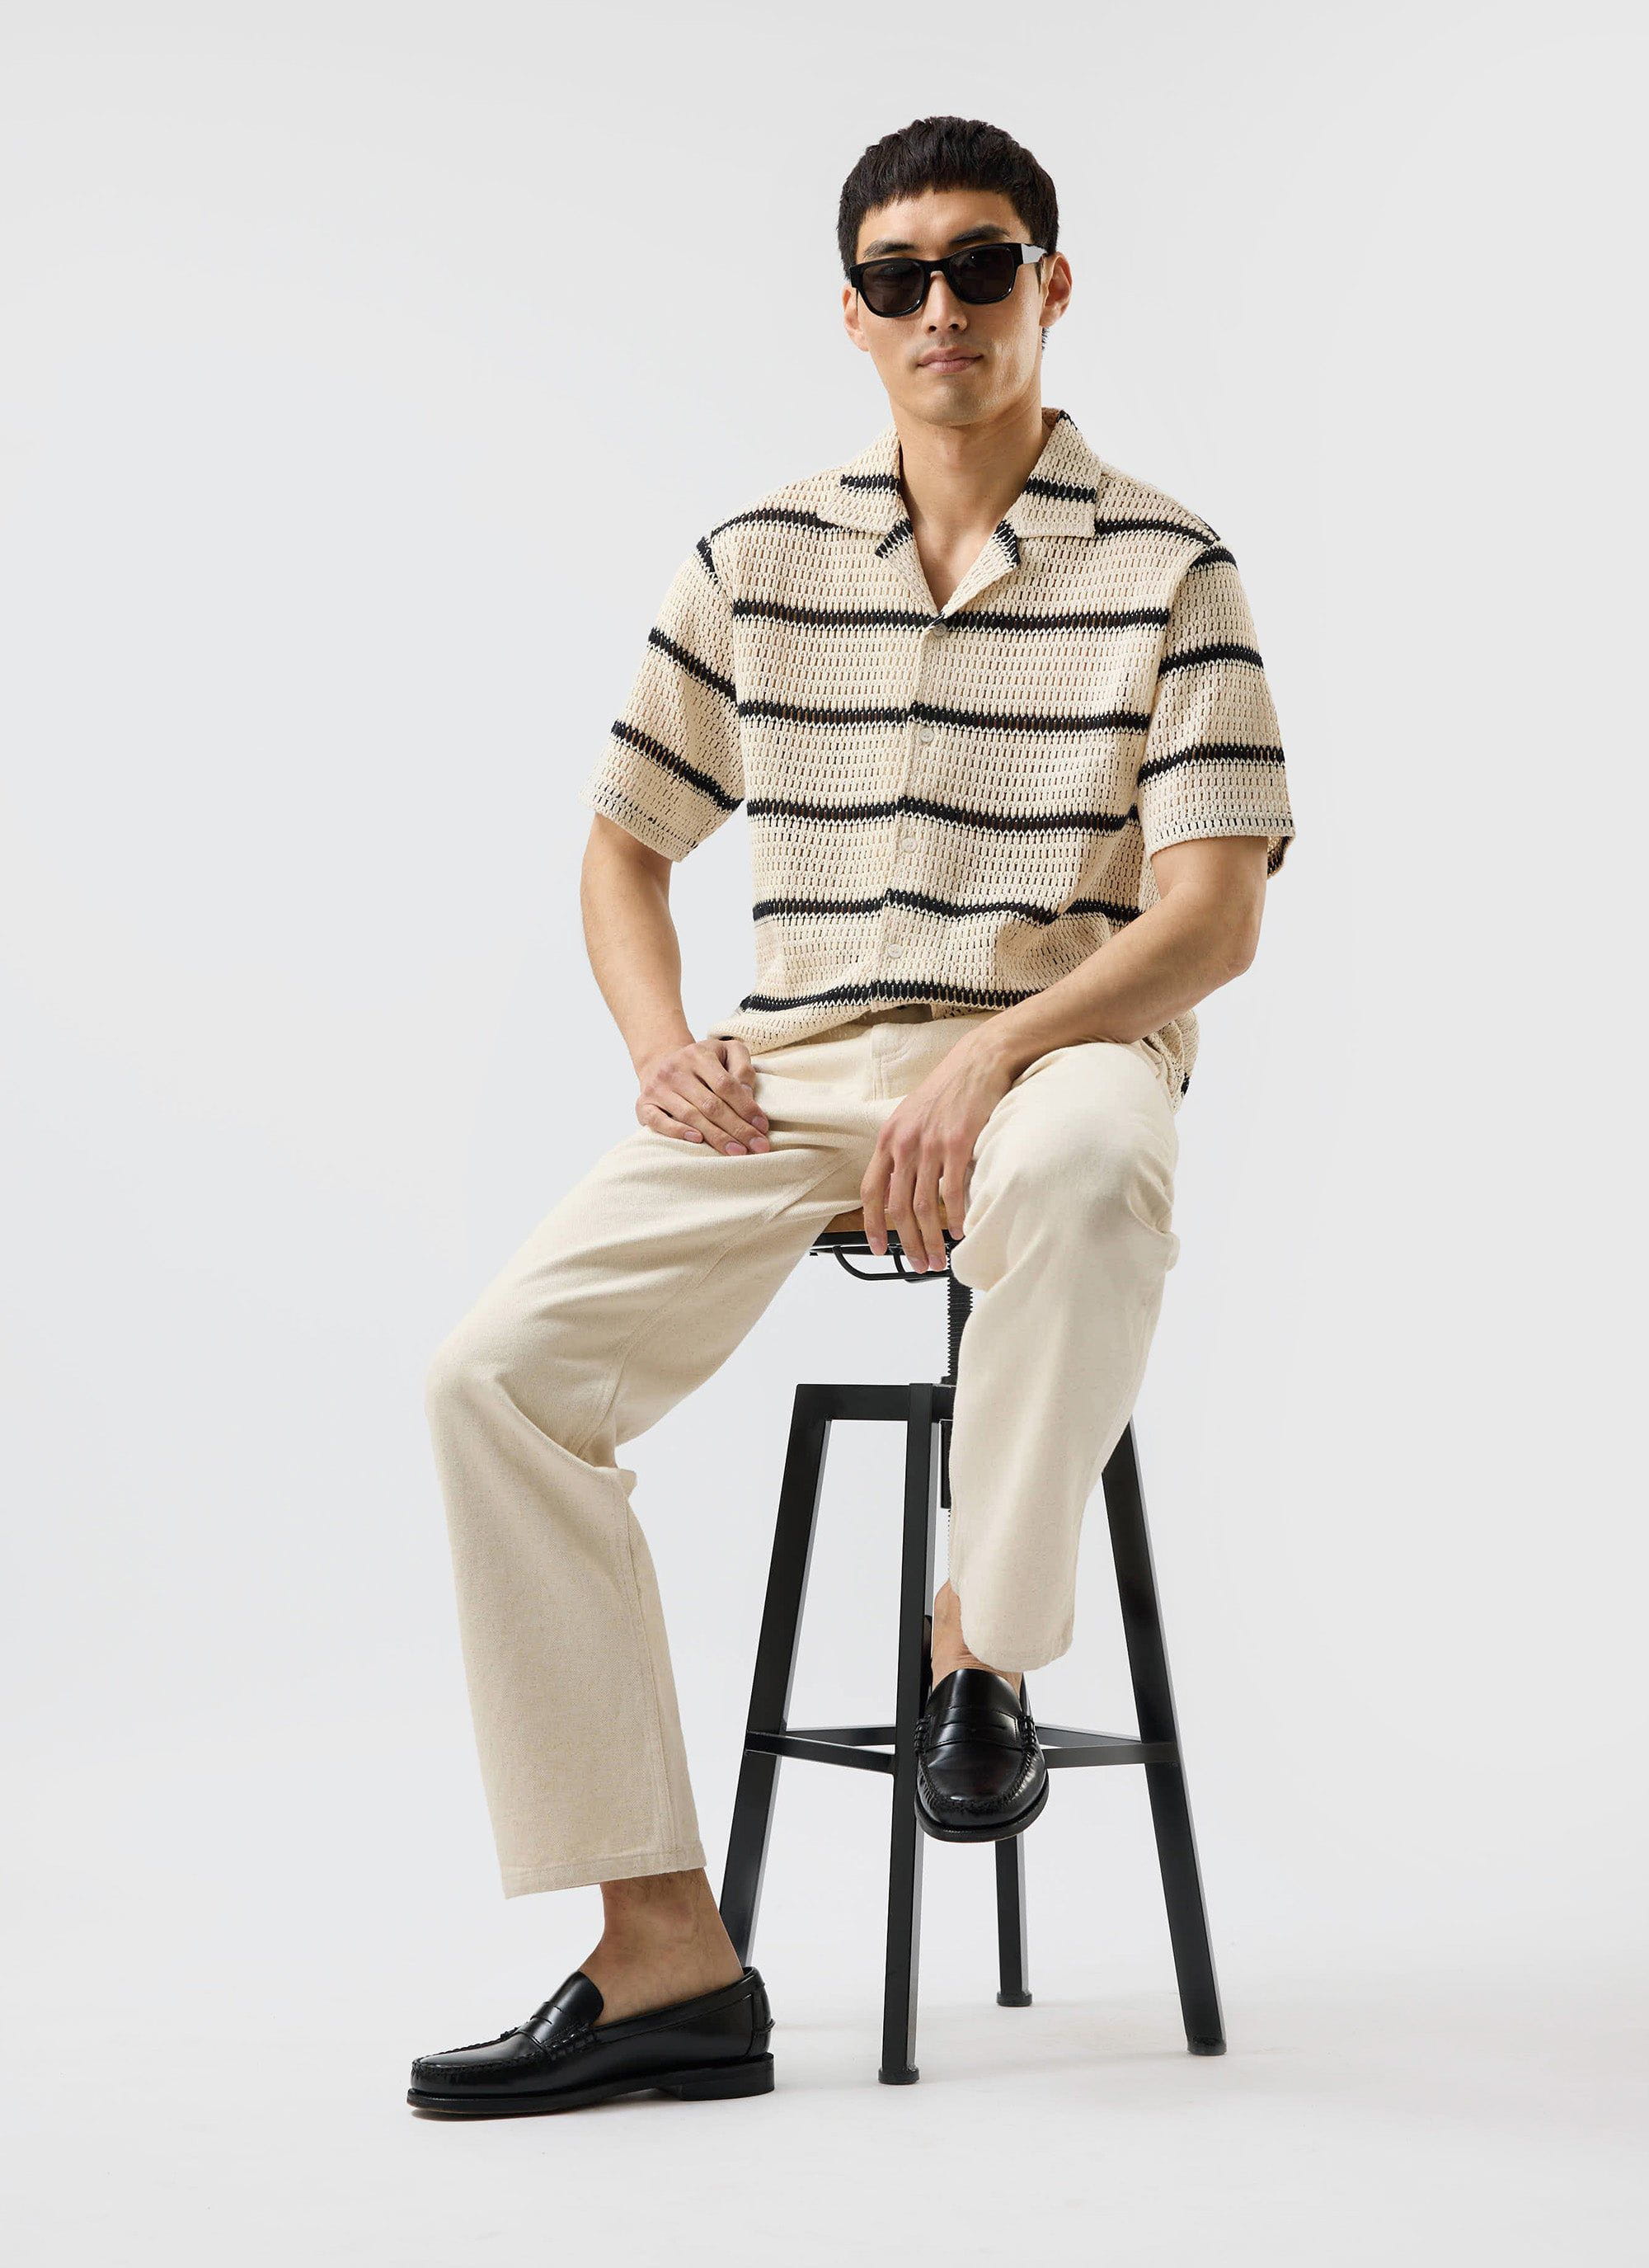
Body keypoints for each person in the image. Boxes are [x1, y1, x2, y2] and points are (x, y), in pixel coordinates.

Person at [407, 113, 1296, 2119]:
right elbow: (623, 851)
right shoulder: (756, 558)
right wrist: (661, 1047)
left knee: (1079, 1161)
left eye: (979, 267)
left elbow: (1212, 915)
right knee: (492, 1379)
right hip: (799, 1065)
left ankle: (977, 1637)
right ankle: (663, 1956)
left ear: (1048, 288)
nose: (941, 309)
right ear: (852, 313)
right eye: (897, 279)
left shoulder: (1172, 564)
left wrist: (996, 1052)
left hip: (1062, 1036)